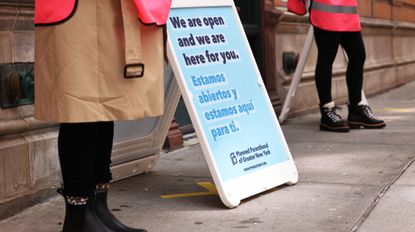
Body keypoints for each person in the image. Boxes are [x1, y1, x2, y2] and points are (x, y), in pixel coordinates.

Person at [34, 0, 171, 231]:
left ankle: (98, 208)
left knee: (106, 105)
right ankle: (78, 215)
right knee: (80, 107)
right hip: (76, 10)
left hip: (110, 7)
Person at [309, 0, 386, 132]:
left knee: (358, 55)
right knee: (327, 57)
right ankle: (327, 112)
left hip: (347, 10)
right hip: (326, 8)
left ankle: (356, 110)